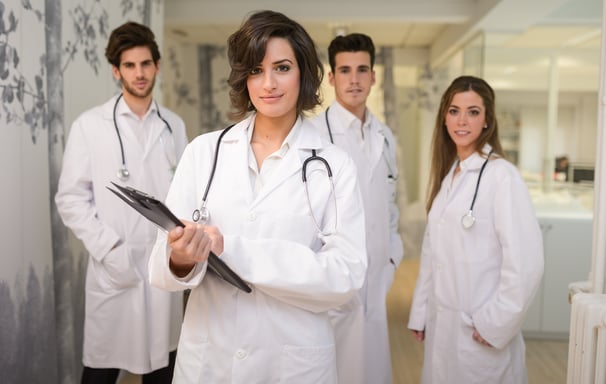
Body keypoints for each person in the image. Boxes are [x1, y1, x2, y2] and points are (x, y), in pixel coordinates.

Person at [148, 10, 368, 383]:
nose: (268, 83)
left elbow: (345, 275)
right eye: (255, 70)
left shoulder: (333, 165)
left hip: (292, 362)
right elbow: (161, 268)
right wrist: (182, 258)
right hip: (210, 360)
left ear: (304, 74)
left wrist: (231, 250)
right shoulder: (204, 152)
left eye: (282, 68)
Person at [55, 21, 188, 383]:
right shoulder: (90, 126)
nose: (139, 73)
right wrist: (109, 249)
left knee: (165, 368)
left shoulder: (173, 125)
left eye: (146, 64)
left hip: (162, 265)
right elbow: (70, 198)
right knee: (100, 370)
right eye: (129, 66)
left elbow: (184, 194)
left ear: (157, 66)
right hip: (116, 268)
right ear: (117, 71)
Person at [407, 75, 544, 383]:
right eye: (454, 111)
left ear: (487, 120)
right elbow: (433, 256)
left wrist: (494, 323)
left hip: (478, 331)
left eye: (473, 112)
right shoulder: (450, 176)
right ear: (444, 117)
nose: (462, 121)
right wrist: (421, 311)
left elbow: (526, 263)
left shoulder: (502, 176)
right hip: (444, 327)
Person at [310, 33, 404, 384]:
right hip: (332, 279)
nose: (354, 79)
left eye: (362, 70)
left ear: (373, 77)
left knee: (372, 370)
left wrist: (392, 255)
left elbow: (390, 203)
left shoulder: (384, 135)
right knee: (333, 370)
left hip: (377, 276)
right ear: (331, 77)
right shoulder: (314, 135)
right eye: (345, 70)